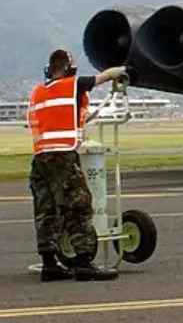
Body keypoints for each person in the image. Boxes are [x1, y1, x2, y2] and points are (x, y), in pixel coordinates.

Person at [27, 50, 126, 281]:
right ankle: (83, 263)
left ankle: (49, 265)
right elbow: (103, 77)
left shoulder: (39, 92)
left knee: (46, 211)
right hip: (62, 157)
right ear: (70, 70)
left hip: (41, 158)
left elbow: (61, 118)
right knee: (78, 206)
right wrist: (122, 71)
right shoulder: (72, 86)